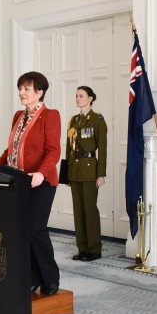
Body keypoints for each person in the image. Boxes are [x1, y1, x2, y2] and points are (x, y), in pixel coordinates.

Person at [0, 71, 62, 296]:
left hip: (41, 182)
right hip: (19, 181)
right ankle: (32, 278)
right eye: (20, 88)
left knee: (35, 229)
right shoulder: (17, 116)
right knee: (22, 231)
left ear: (39, 92)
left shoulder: (50, 115)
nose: (22, 93)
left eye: (27, 89)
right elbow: (11, 149)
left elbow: (54, 151)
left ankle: (50, 279)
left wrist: (41, 173)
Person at [66, 85, 107, 262]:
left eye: (81, 95)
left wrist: (101, 174)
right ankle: (82, 248)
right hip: (75, 170)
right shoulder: (73, 120)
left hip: (90, 170)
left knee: (90, 210)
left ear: (90, 98)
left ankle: (94, 249)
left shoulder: (97, 120)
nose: (78, 98)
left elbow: (103, 149)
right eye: (76, 96)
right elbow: (68, 148)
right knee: (78, 210)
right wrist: (66, 173)